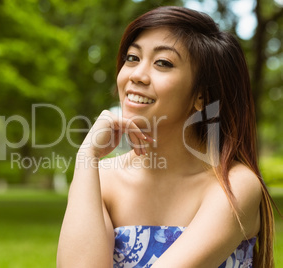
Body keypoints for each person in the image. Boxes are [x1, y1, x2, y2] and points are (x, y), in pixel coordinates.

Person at [57, 6, 275, 268]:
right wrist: (86, 156)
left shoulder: (233, 185)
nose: (136, 75)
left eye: (163, 63)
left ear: (201, 97)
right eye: (132, 58)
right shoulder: (102, 180)